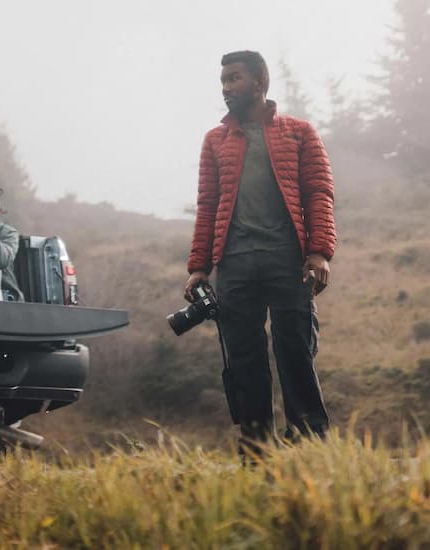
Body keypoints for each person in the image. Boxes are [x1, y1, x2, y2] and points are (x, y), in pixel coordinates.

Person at [183, 51, 336, 454]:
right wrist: (199, 267)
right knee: (243, 360)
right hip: (233, 264)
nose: (226, 87)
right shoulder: (214, 140)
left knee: (296, 351)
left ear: (260, 81)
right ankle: (256, 448)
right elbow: (208, 204)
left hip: (288, 260)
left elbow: (318, 193)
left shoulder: (299, 132)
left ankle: (309, 445)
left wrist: (319, 253)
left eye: (234, 78)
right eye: (223, 80)